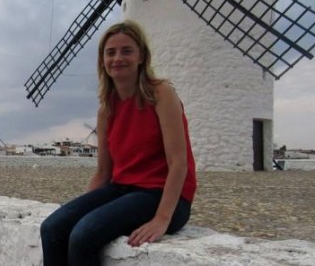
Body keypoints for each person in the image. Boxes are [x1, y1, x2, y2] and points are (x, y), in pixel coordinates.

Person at [40, 20, 197, 266]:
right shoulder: (107, 109)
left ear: (141, 56)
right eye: (110, 52)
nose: (118, 58)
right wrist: (83, 207)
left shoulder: (161, 93)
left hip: (163, 195)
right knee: (52, 228)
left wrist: (162, 218)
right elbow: (104, 172)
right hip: (122, 189)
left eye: (127, 51)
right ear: (102, 60)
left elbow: (178, 163)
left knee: (84, 235)